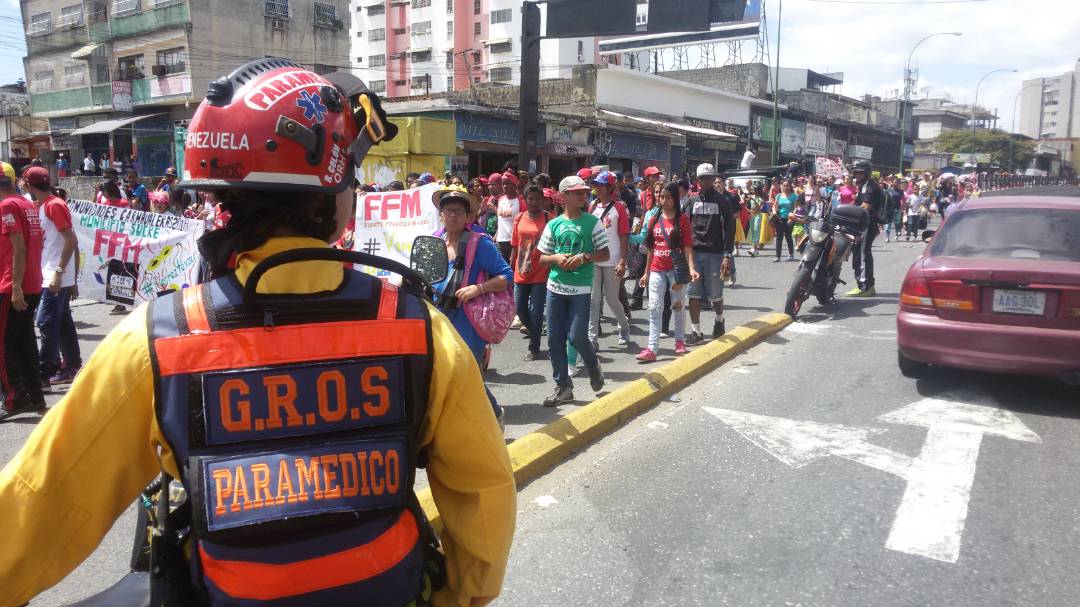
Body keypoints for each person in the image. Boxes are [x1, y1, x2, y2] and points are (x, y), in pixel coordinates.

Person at [0, 59, 516, 607]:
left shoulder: (156, 340)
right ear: (332, 193)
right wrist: (458, 597)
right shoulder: (420, 332)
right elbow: (483, 493)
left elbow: (40, 504)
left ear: (222, 196)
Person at [430, 185, 513, 423]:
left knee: (468, 375)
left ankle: (494, 414)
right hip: (438, 316)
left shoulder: (479, 243)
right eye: (447, 210)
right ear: (441, 214)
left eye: (457, 211)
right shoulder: (435, 240)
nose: (452, 215)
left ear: (469, 216)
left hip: (468, 319)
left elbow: (506, 276)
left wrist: (479, 288)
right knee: (443, 372)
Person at [538, 175, 609, 407]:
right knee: (555, 339)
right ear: (564, 196)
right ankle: (563, 385)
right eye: (577, 192)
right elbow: (542, 258)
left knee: (577, 336)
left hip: (580, 289)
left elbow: (605, 254)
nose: (583, 195)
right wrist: (557, 257)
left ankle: (592, 365)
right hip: (555, 288)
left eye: (585, 192)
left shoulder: (592, 222)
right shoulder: (554, 224)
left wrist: (584, 256)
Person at [24, 171, 81, 387]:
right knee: (63, 322)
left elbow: (71, 241)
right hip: (51, 273)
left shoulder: (53, 205)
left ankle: (43, 373)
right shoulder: (42, 205)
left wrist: (60, 272)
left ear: (29, 185)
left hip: (54, 276)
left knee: (45, 322)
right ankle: (71, 364)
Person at [0, 163, 46, 417]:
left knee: (6, 345)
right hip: (31, 282)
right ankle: (35, 394)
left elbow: (19, 248)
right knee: (25, 341)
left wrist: (15, 287)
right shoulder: (27, 203)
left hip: (12, 285)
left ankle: (13, 398)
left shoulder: (7, 206)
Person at [637, 182, 699, 362]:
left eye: (668, 197)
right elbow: (651, 248)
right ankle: (651, 348)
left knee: (677, 307)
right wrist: (646, 273)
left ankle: (679, 341)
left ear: (675, 198)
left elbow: (687, 246)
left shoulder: (683, 219)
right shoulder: (653, 219)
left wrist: (692, 268)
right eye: (661, 196)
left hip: (676, 271)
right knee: (654, 308)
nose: (663, 200)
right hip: (657, 269)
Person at [685, 163, 735, 345]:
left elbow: (730, 229)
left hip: (715, 254)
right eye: (701, 178)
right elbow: (684, 224)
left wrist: (727, 255)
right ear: (697, 180)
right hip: (695, 253)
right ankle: (696, 331)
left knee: (715, 293)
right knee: (693, 294)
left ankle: (719, 319)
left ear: (714, 179)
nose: (705, 181)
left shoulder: (722, 201)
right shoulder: (691, 200)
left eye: (708, 178)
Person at [587, 170, 631, 349]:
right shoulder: (591, 207)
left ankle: (624, 325)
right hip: (594, 259)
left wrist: (622, 261)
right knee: (593, 299)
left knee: (612, 299)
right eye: (596, 184)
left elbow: (623, 236)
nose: (596, 188)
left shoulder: (619, 207)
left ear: (609, 187)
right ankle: (592, 338)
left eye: (600, 185)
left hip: (613, 260)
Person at [510, 184, 551, 361]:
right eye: (530, 199)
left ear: (542, 200)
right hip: (522, 270)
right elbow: (514, 245)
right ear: (525, 200)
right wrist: (510, 267)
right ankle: (536, 329)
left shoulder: (550, 219)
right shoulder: (519, 218)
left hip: (541, 271)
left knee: (536, 312)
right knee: (519, 308)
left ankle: (534, 348)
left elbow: (554, 246)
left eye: (537, 199)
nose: (534, 202)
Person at [847, 159, 884, 297]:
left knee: (862, 254)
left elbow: (865, 206)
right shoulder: (863, 186)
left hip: (867, 225)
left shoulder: (870, 187)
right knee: (859, 253)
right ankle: (865, 285)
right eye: (855, 172)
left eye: (860, 172)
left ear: (867, 173)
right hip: (861, 225)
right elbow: (856, 203)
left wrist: (849, 211)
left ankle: (865, 287)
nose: (856, 174)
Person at [494, 171, 521, 263]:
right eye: (503, 183)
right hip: (500, 242)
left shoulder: (520, 201)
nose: (505, 186)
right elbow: (501, 221)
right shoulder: (500, 199)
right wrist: (495, 237)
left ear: (515, 185)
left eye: (508, 183)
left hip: (513, 243)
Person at [772, 180, 798, 262]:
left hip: (789, 218)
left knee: (788, 236)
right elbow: (775, 206)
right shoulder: (778, 196)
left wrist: (792, 217)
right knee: (779, 237)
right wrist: (774, 211)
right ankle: (777, 256)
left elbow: (796, 208)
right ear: (781, 186)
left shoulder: (794, 196)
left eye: (787, 186)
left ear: (790, 187)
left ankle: (791, 254)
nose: (785, 187)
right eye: (783, 186)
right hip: (779, 218)